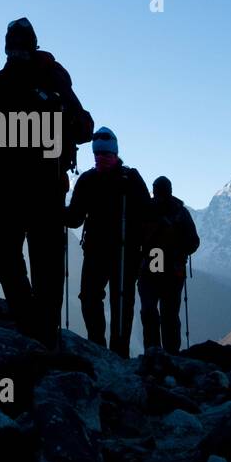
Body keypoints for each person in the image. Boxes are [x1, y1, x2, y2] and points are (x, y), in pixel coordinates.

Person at [0, 18, 92, 348]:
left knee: (8, 255)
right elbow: (84, 127)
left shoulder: (2, 83)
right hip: (44, 187)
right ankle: (41, 330)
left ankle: (32, 324)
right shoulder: (52, 81)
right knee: (45, 264)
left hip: (14, 185)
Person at [65, 127, 149, 357]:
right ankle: (98, 346)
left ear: (115, 154)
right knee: (92, 297)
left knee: (120, 300)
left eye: (105, 154)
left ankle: (118, 352)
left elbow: (147, 215)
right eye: (97, 154)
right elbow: (74, 217)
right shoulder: (88, 180)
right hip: (100, 251)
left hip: (125, 252)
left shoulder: (129, 179)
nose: (100, 158)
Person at [137, 176, 200, 353]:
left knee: (155, 313)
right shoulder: (180, 213)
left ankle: (155, 351)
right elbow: (193, 242)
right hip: (170, 271)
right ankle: (169, 354)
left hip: (153, 269)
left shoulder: (147, 211)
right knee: (167, 315)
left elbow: (193, 242)